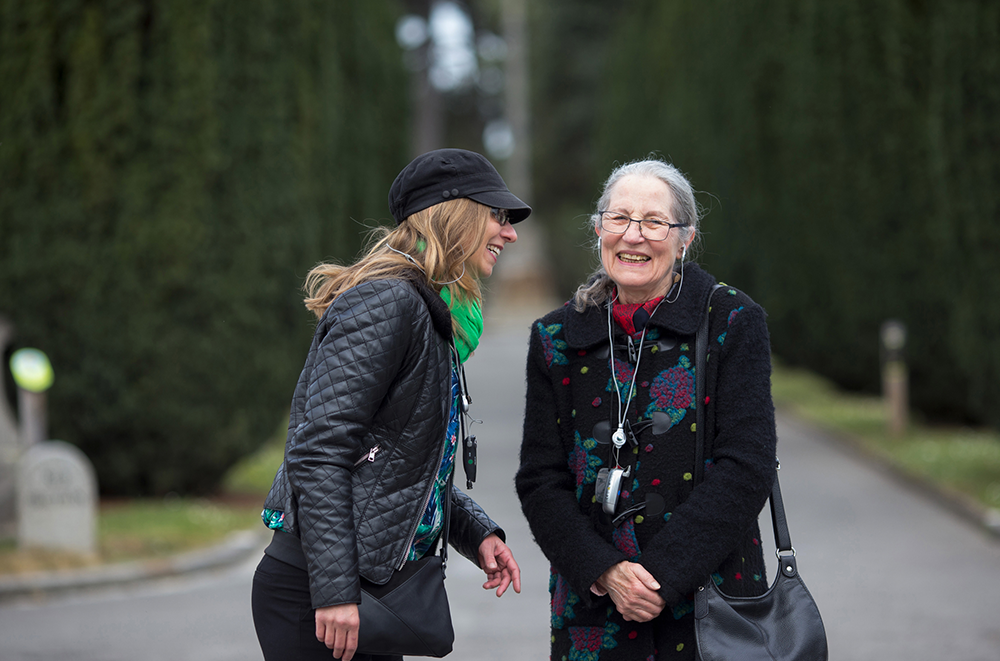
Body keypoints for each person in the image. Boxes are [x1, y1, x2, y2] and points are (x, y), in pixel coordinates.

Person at [252, 148, 526, 661]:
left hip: (367, 590)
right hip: (321, 594)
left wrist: (475, 530)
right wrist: (334, 591)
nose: (509, 233)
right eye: (498, 215)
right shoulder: (389, 302)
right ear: (454, 214)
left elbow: (400, 459)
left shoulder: (428, 309)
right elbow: (319, 449)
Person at [515, 157, 777, 660]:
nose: (633, 236)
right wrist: (606, 572)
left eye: (655, 222)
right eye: (619, 218)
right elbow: (540, 477)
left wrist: (659, 576)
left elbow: (748, 463)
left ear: (685, 239)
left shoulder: (732, 319)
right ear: (598, 230)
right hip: (594, 609)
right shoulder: (554, 337)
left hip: (708, 603)